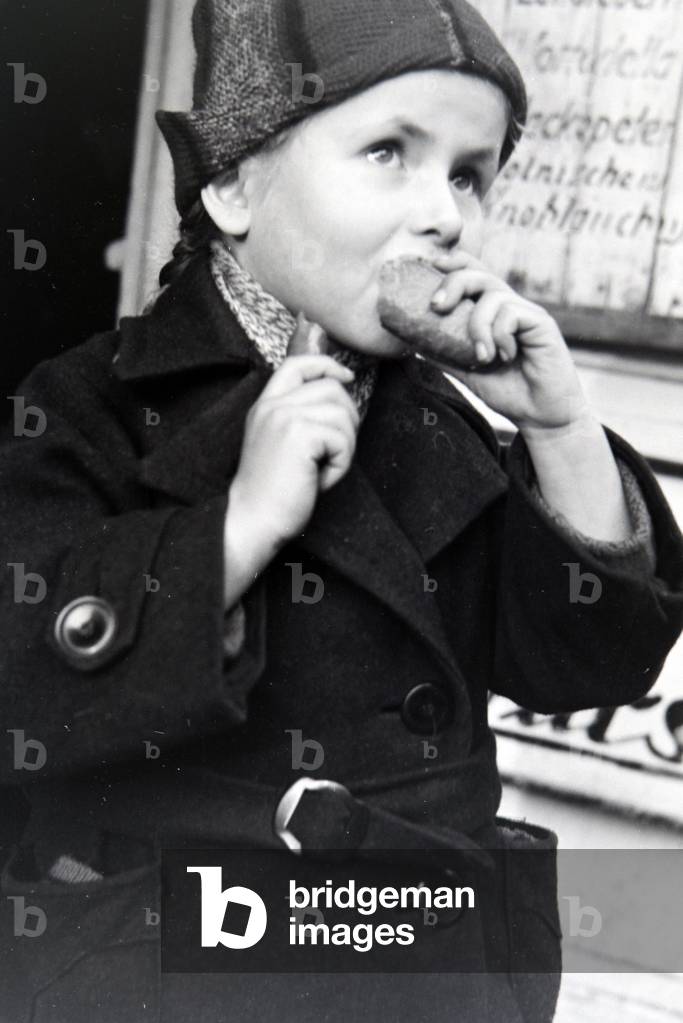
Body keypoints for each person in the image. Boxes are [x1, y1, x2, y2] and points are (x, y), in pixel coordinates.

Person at [1, 1, 682, 1021]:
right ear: (232, 183)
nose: (444, 214)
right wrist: (232, 532)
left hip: (421, 957)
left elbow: (586, 663)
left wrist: (558, 431)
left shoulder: (441, 423)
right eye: (387, 153)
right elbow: (23, 688)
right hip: (173, 961)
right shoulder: (86, 403)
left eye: (467, 173)